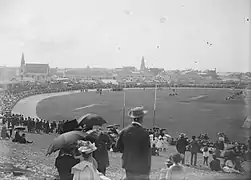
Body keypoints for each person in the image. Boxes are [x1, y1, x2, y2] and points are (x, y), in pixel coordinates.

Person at [116, 107, 151, 180]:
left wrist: (128, 151)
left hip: (128, 164)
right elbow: (146, 152)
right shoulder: (144, 133)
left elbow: (118, 147)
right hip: (141, 166)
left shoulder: (124, 131)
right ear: (142, 118)